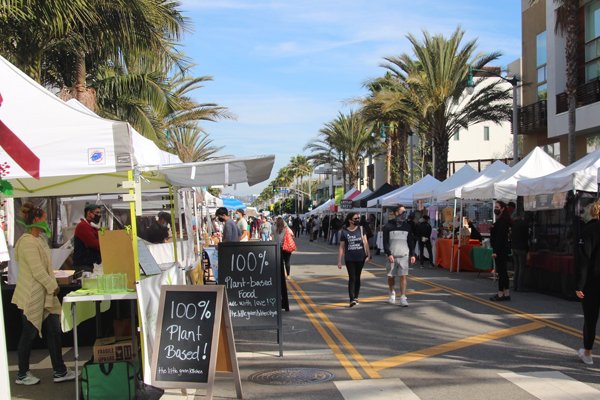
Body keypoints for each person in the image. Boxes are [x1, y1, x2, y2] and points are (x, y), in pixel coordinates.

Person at [12, 202, 76, 385]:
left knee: (54, 331)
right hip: (32, 296)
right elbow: (37, 271)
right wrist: (52, 285)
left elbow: (44, 268)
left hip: (45, 296)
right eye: (44, 219)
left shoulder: (39, 240)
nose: (46, 223)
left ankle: (60, 370)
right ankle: (22, 374)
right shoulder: (26, 243)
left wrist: (51, 284)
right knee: (28, 334)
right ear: (36, 220)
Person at [576, 200, 600, 366]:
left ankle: (588, 352)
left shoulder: (589, 230)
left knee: (590, 318)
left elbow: (584, 261)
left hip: (593, 281)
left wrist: (579, 285)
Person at [383, 205, 416, 307]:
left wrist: (412, 254)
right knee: (391, 276)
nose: (405, 214)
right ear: (396, 213)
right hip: (392, 255)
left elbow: (410, 241)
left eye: (405, 212)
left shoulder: (407, 226)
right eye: (403, 212)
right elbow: (385, 242)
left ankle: (403, 297)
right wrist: (388, 253)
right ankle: (392, 293)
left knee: (403, 276)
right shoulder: (388, 226)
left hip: (404, 255)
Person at [337, 212, 370, 307]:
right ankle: (351, 299)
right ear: (350, 220)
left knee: (358, 277)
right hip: (349, 258)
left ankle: (356, 296)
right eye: (355, 219)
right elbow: (341, 247)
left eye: (358, 218)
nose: (357, 220)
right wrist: (339, 261)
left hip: (360, 256)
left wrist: (368, 255)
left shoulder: (361, 229)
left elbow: (366, 242)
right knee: (352, 278)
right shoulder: (344, 231)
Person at [490, 200, 512, 301]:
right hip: (503, 249)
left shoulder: (502, 221)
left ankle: (500, 293)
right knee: (504, 272)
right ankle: (506, 293)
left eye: (497, 207)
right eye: (495, 207)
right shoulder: (503, 219)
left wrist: (495, 251)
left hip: (500, 250)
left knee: (501, 272)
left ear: (502, 209)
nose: (495, 209)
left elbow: (499, 238)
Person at [73, 204, 102, 272]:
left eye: (100, 213)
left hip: (90, 265)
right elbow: (94, 244)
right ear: (89, 213)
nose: (99, 215)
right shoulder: (83, 226)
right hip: (83, 266)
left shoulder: (92, 226)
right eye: (97, 212)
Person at [511, 212, 530, 292]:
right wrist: (527, 250)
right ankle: (520, 286)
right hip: (521, 248)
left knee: (516, 267)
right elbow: (526, 238)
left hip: (514, 247)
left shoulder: (514, 225)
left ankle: (515, 285)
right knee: (522, 268)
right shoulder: (524, 225)